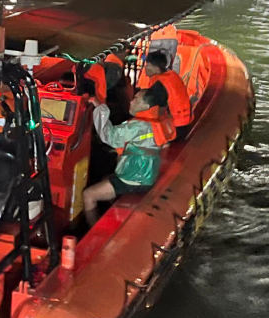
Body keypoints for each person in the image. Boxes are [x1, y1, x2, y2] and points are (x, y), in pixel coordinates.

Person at [82, 83, 176, 226]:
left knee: (88, 195)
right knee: (105, 178)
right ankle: (111, 215)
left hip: (132, 179)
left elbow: (109, 136)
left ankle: (93, 230)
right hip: (149, 175)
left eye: (136, 99)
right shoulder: (160, 120)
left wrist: (99, 107)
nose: (131, 101)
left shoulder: (137, 126)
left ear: (146, 106)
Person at [137, 50, 193, 132]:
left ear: (156, 68)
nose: (145, 69)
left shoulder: (159, 84)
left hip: (175, 127)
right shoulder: (171, 75)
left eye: (148, 66)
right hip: (185, 120)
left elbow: (154, 109)